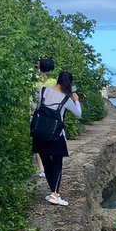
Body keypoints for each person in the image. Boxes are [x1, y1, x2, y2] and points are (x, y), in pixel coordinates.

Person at [32, 71, 82, 206]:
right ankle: (54, 194)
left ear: (57, 80)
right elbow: (78, 114)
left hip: (39, 133)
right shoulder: (66, 99)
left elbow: (34, 107)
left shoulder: (41, 90)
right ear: (69, 84)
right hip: (56, 135)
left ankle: (53, 192)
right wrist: (76, 101)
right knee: (57, 164)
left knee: (47, 163)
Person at [32, 58, 56, 178]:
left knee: (37, 141)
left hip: (36, 113)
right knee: (50, 140)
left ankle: (42, 169)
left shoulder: (34, 81)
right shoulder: (54, 82)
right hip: (50, 114)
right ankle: (49, 166)